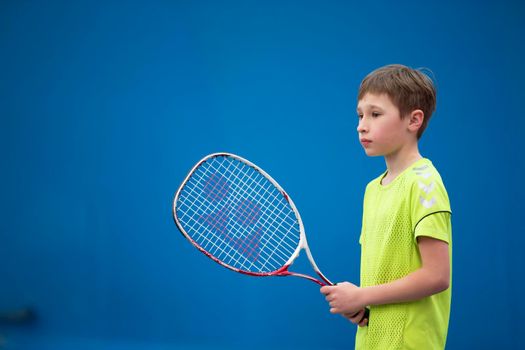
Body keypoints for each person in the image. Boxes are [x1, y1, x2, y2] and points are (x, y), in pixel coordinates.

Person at [320, 64, 452, 349]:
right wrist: (361, 307)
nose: (362, 125)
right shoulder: (372, 190)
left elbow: (437, 276)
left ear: (414, 120)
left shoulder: (425, 183)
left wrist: (362, 295)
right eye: (360, 115)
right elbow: (384, 275)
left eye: (375, 114)